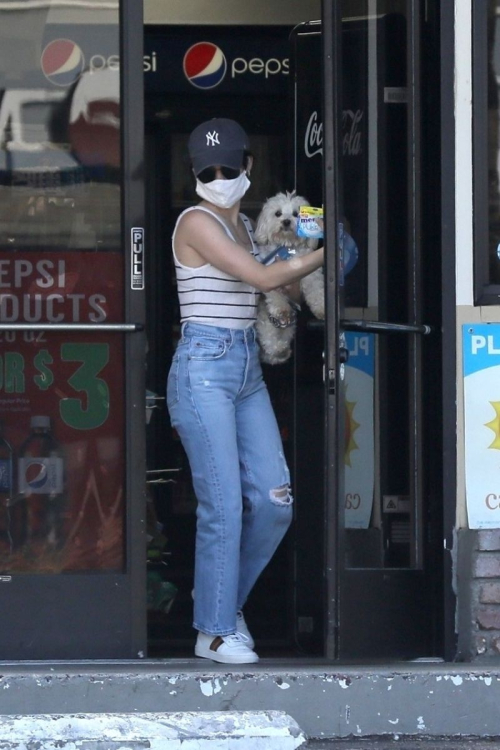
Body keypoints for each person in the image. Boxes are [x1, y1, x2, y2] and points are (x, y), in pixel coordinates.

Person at [167, 118, 324, 664]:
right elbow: (261, 281)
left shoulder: (247, 231)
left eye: (227, 168)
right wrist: (328, 251)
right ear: (194, 174)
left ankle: (221, 602)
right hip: (203, 366)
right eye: (206, 170)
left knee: (276, 502)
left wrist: (316, 233)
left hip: (245, 366)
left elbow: (284, 267)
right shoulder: (196, 221)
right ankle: (212, 631)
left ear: (247, 169)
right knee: (225, 505)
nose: (217, 177)